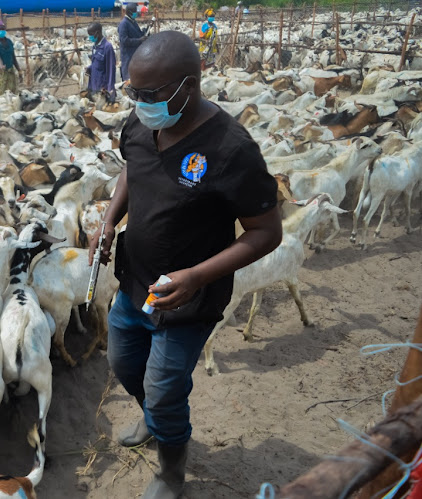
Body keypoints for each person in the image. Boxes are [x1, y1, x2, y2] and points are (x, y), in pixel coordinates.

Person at [88, 31, 281, 499]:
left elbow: (266, 233)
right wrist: (110, 219)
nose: (139, 103)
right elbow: (132, 169)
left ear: (188, 87)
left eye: (149, 95)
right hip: (136, 281)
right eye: (133, 92)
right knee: (124, 363)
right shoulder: (139, 124)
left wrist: (196, 276)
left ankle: (172, 470)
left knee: (165, 385)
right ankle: (156, 419)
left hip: (187, 300)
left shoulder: (231, 150)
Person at [118, 3, 149, 82]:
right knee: (129, 80)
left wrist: (145, 31)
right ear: (130, 12)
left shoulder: (133, 22)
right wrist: (139, 40)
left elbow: (138, 34)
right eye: (135, 12)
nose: (136, 13)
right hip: (128, 56)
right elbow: (124, 41)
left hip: (135, 55)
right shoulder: (123, 24)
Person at [86, 23, 117, 101]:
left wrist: (109, 88)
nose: (90, 37)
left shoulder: (107, 47)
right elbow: (96, 63)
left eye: (91, 34)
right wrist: (90, 68)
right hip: (94, 83)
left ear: (97, 33)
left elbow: (111, 69)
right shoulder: (95, 46)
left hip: (103, 86)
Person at [0, 20, 21, 96]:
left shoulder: (9, 42)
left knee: (12, 92)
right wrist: (1, 65)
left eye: (3, 29)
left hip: (10, 70)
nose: (1, 31)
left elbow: (13, 56)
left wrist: (19, 70)